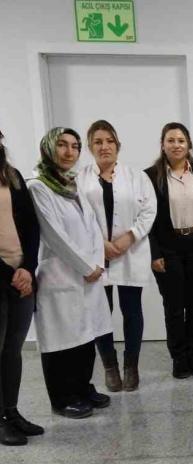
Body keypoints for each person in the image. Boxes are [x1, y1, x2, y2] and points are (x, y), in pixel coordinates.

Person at [27, 127, 111, 418]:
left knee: (86, 336)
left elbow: (93, 227)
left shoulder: (73, 184)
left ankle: (83, 388)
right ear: (48, 148)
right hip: (59, 275)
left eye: (75, 146)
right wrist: (87, 267)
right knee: (61, 341)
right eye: (62, 145)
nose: (69, 152)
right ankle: (62, 398)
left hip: (88, 274)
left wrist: (98, 264)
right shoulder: (38, 187)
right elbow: (54, 235)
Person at [77, 120, 157, 392]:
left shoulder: (137, 177)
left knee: (132, 311)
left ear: (117, 145)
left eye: (109, 141)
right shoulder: (80, 180)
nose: (104, 146)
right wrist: (100, 244)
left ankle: (131, 366)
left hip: (129, 253)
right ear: (90, 147)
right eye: (98, 142)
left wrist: (129, 237)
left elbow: (149, 211)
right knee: (101, 313)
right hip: (96, 256)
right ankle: (109, 366)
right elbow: (76, 216)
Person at [145, 122, 193, 379]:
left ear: (189, 145)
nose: (176, 145)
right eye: (171, 140)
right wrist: (154, 253)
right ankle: (179, 358)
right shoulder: (151, 176)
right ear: (162, 145)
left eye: (181, 140)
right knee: (174, 307)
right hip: (168, 248)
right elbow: (147, 219)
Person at [0, 130, 41, 445]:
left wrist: (27, 267)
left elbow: (30, 225)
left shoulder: (11, 175)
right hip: (6, 277)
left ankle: (11, 412)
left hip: (21, 275)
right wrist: (10, 274)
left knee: (13, 350)